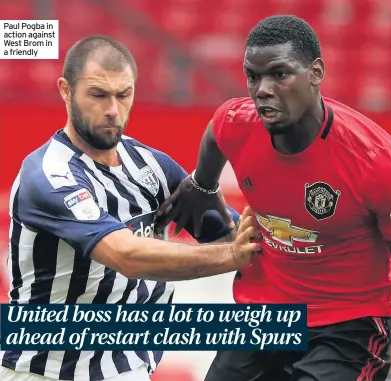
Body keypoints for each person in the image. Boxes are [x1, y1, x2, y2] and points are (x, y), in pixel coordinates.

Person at [156, 15, 391, 381]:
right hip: (263, 315)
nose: (262, 89)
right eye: (253, 76)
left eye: (279, 74)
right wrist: (202, 184)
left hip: (348, 326)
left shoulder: (378, 163)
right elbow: (216, 132)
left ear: (315, 72)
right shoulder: (236, 123)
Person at [0, 35, 262, 381]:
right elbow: (127, 256)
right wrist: (232, 255)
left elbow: (228, 232)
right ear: (66, 91)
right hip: (46, 371)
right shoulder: (49, 174)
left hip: (127, 369)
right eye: (98, 94)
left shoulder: (151, 165)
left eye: (124, 95)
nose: (113, 109)